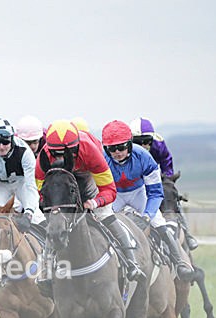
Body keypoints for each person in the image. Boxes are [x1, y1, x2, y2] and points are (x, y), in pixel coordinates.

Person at [35, 119, 145, 281]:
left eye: (70, 151)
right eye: (56, 153)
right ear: (49, 149)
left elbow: (109, 190)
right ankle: (46, 267)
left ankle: (131, 262)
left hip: (88, 175)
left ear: (77, 145)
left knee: (103, 213)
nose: (63, 156)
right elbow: (42, 193)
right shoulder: (43, 159)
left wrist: (95, 202)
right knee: (54, 220)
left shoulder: (90, 151)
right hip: (60, 179)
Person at [102, 120, 194, 281]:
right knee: (102, 221)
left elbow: (156, 193)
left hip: (139, 193)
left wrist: (148, 214)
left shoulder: (144, 157)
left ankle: (180, 263)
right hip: (114, 194)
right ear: (105, 148)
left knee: (159, 222)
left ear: (129, 144)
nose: (117, 152)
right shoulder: (102, 160)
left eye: (121, 147)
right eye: (112, 148)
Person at [0, 117, 46, 291]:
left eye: (5, 142)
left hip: (21, 182)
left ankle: (48, 264)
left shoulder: (24, 151)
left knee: (38, 217)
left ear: (12, 139)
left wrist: (28, 213)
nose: (1, 147)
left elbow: (30, 186)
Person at [130, 116, 198, 250]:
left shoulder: (158, 144)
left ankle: (187, 233)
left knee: (170, 197)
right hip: (134, 179)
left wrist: (166, 180)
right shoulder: (125, 148)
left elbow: (167, 161)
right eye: (139, 142)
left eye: (147, 141)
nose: (144, 145)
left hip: (156, 176)